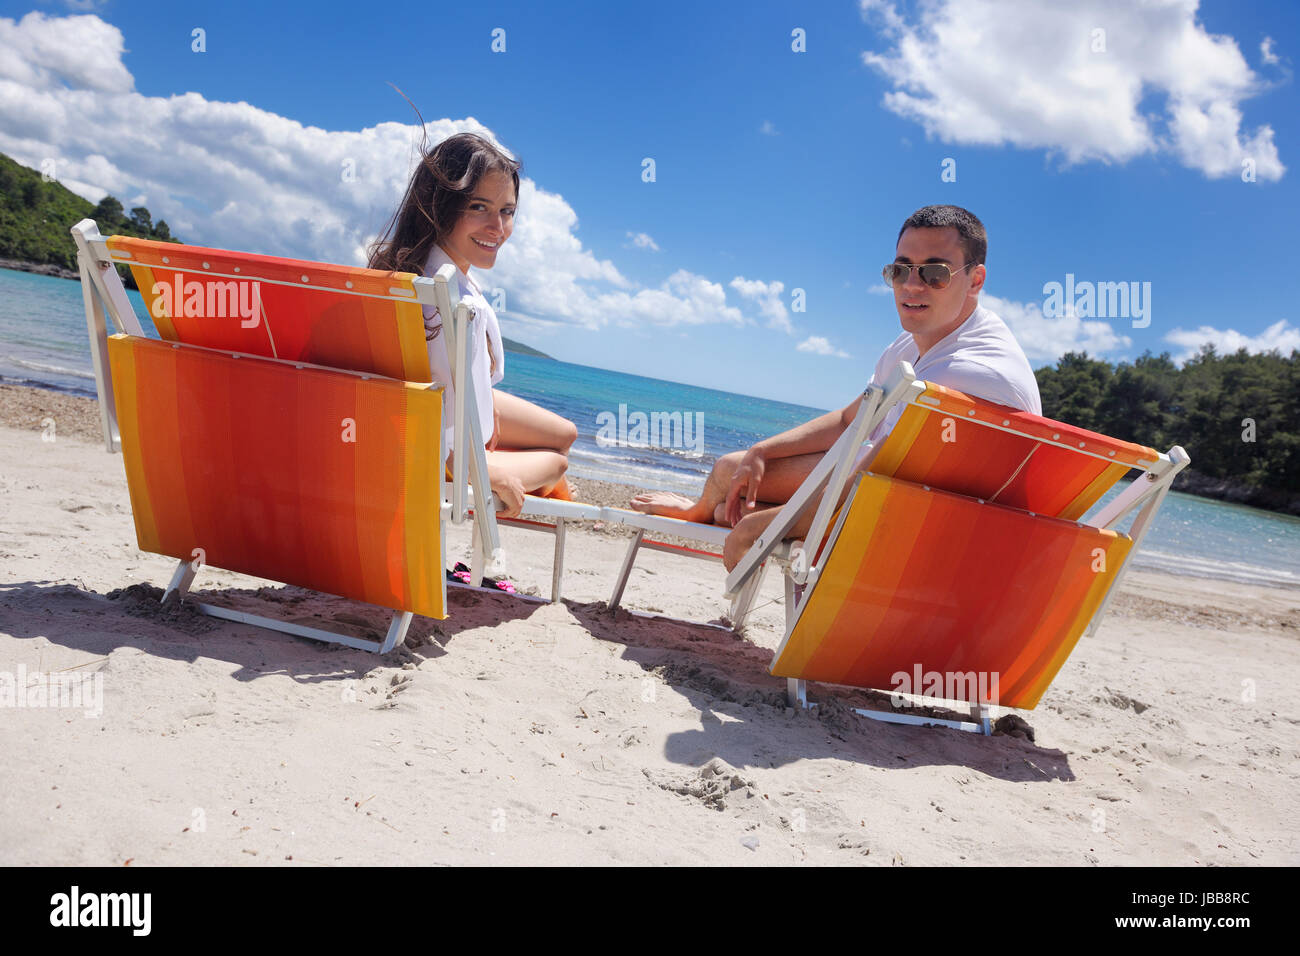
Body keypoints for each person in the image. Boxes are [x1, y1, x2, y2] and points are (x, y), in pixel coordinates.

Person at [630, 204, 1041, 570]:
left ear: (975, 279)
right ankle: (700, 510)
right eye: (900, 270)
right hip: (900, 500)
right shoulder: (914, 342)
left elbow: (865, 492)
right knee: (731, 472)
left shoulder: (969, 373)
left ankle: (712, 513)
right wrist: (761, 451)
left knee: (735, 512)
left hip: (929, 538)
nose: (912, 286)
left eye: (935, 273)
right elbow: (851, 419)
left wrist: (761, 526)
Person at [369, 132, 577, 519]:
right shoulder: (446, 300)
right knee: (557, 462)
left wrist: (481, 403)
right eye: (479, 207)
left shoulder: (405, 275)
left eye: (508, 211)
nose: (498, 227)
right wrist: (483, 470)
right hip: (437, 453)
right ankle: (498, 538)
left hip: (432, 424)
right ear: (439, 205)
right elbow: (418, 411)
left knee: (565, 433)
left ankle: (538, 494)